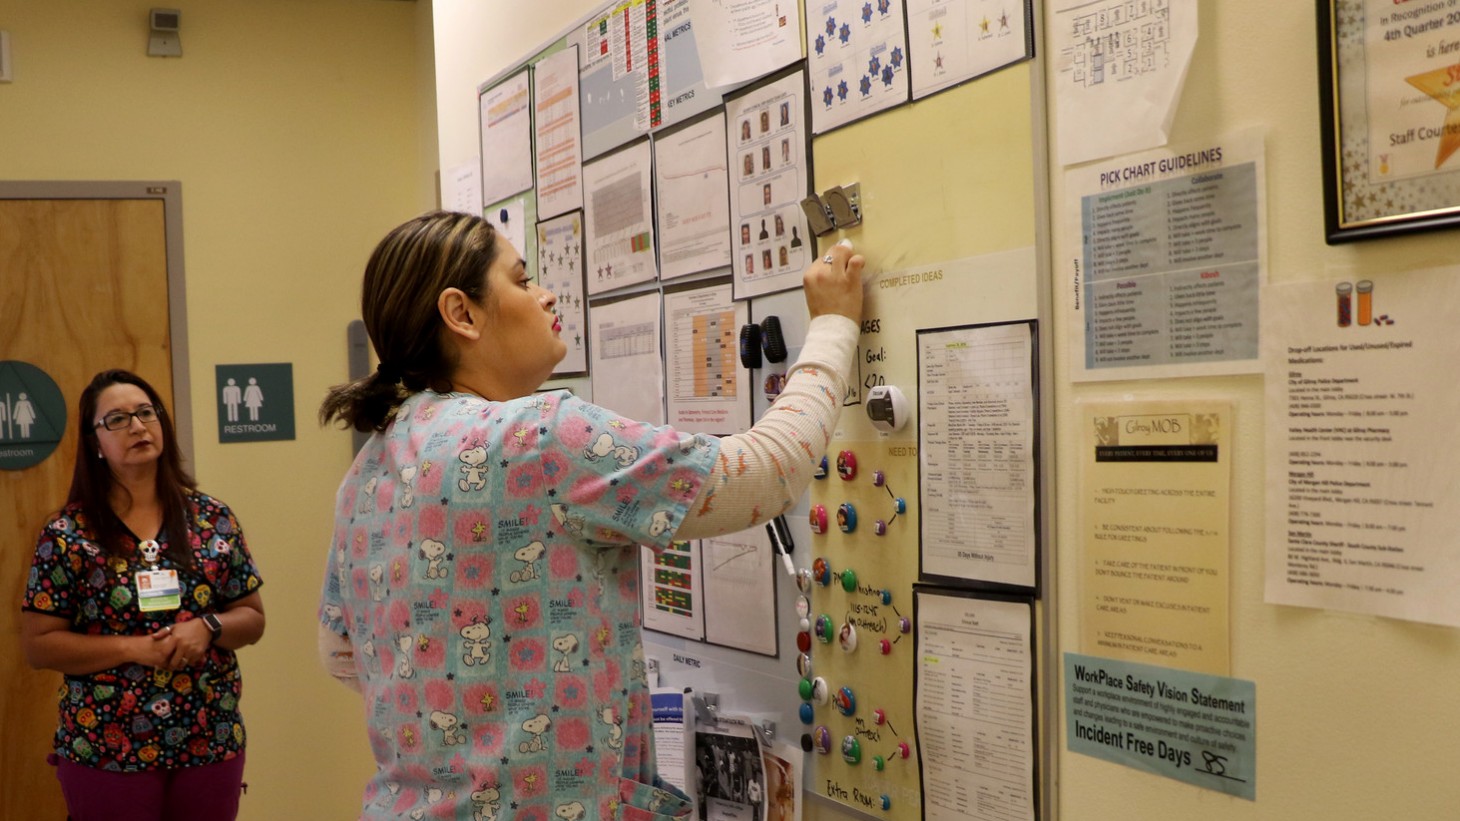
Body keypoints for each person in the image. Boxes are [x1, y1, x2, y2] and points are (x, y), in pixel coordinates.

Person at [316, 210, 863, 821]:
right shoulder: (540, 437)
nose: (546, 293)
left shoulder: (365, 473)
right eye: (521, 281)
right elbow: (770, 474)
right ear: (461, 314)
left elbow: (340, 653)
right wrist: (835, 323)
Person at [20, 369, 266, 821]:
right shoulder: (68, 535)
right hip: (107, 747)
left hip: (208, 738)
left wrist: (208, 628)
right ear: (95, 442)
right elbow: (39, 646)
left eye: (145, 413)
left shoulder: (211, 518)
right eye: (116, 419)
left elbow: (251, 617)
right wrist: (134, 649)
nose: (136, 426)